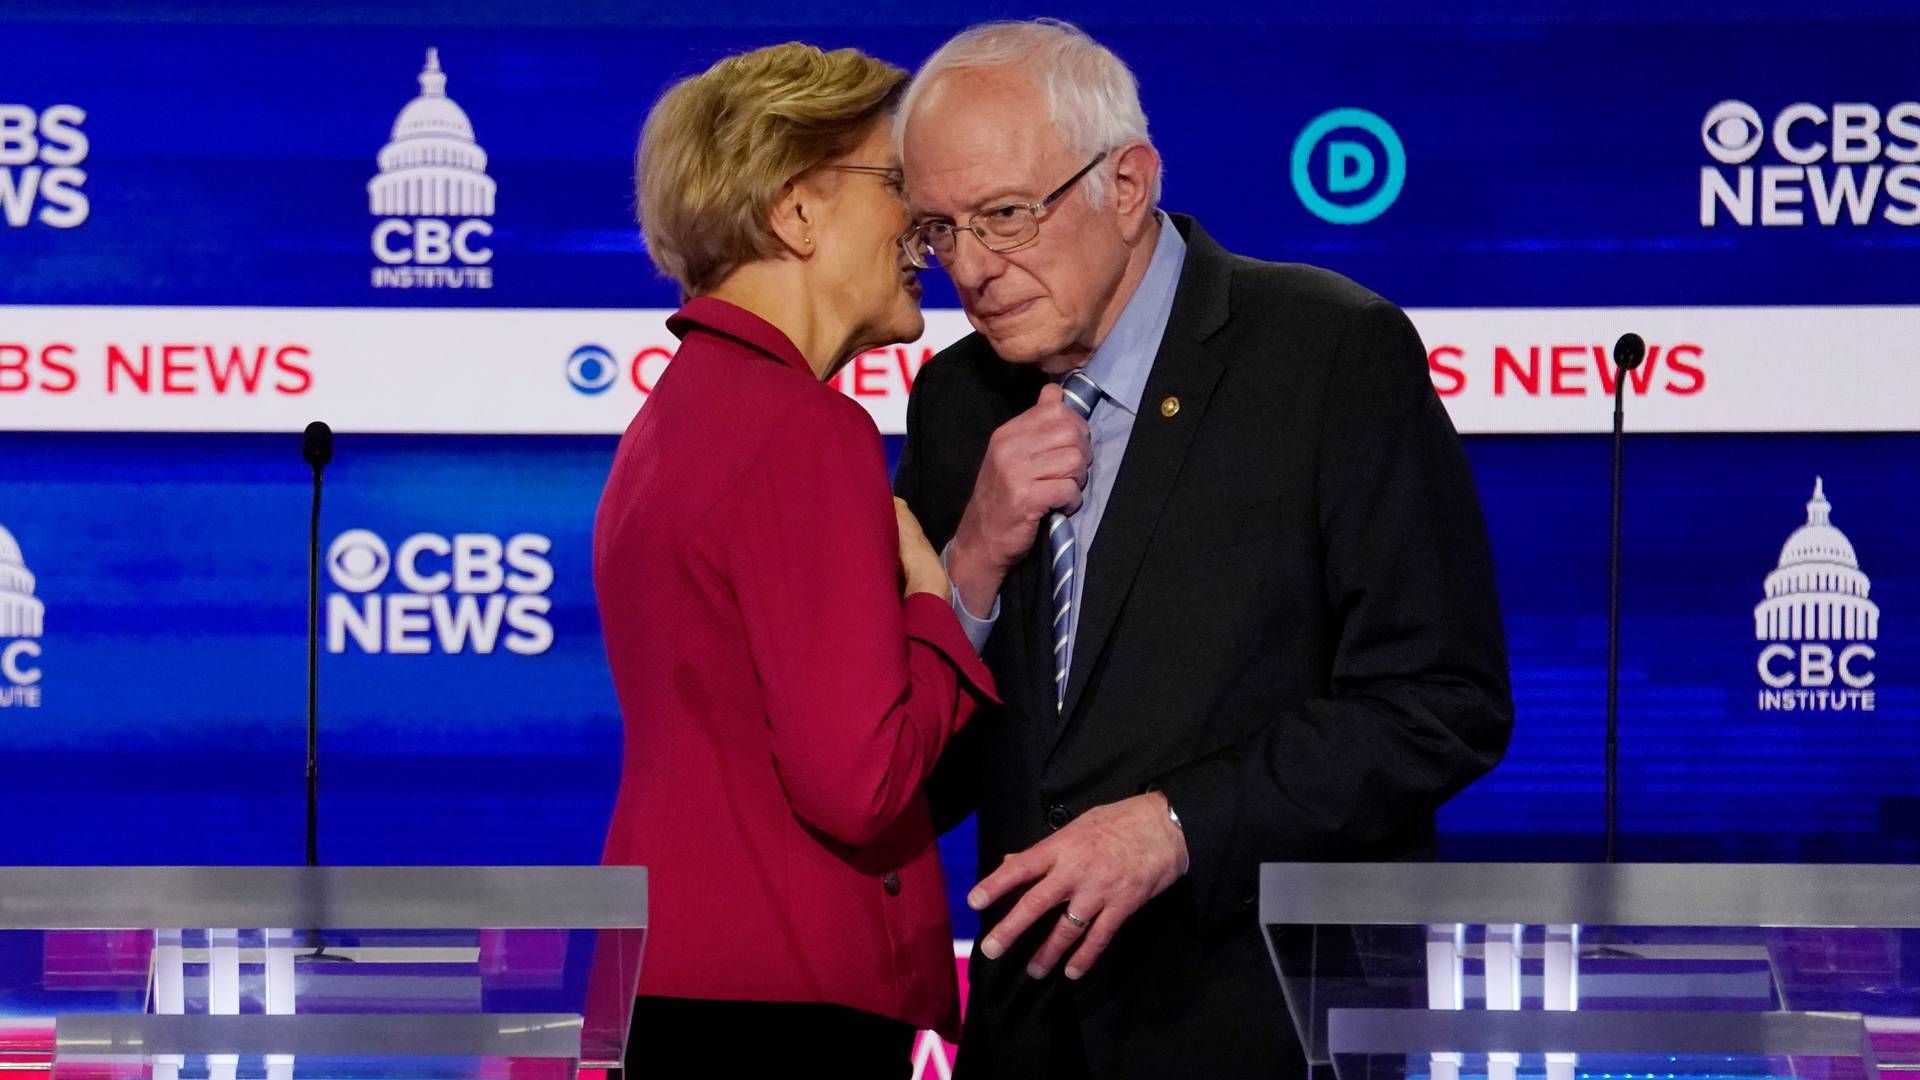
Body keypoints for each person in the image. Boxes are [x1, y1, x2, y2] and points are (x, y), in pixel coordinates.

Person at [892, 20, 1514, 1079]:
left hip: (1269, 1019)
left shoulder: (1328, 354)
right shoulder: (958, 404)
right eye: (939, 231)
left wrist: (1178, 823)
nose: (973, 269)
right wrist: (968, 569)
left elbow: (1441, 699)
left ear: (1127, 183)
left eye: (1003, 215)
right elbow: (930, 775)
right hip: (1031, 1033)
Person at [594, 42, 995, 1077]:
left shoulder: (673, 416)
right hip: (782, 1001)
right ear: (795, 211)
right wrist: (936, 601)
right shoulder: (803, 430)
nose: (925, 227)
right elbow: (858, 783)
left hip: (680, 979)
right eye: (896, 184)